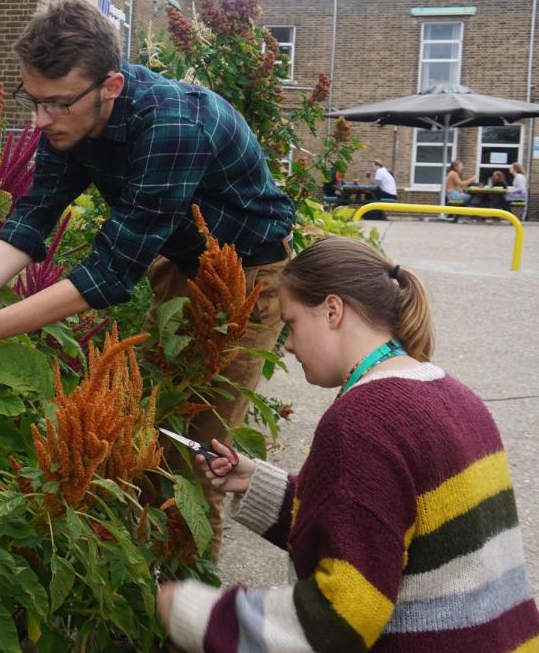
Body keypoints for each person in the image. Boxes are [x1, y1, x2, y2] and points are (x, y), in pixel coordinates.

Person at [0, 0, 295, 552]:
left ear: (111, 86)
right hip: (180, 262)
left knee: (196, 452)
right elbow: (30, 222)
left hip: (251, 275)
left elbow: (109, 274)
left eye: (55, 104)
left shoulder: (173, 125)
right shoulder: (69, 124)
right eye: (34, 101)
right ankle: (142, 575)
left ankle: (184, 603)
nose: (40, 120)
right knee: (145, 426)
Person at [156, 236, 539, 652]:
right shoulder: (453, 395)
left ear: (333, 310)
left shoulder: (361, 422)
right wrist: (259, 485)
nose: (286, 343)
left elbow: (340, 617)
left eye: (292, 323)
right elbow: (381, 525)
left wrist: (195, 612)